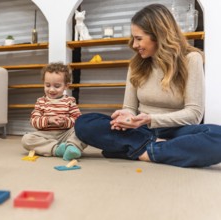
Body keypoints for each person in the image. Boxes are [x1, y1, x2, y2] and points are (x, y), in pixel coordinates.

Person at [74, 3, 221, 168]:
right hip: (140, 130)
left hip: (176, 131)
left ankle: (142, 150)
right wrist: (126, 116)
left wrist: (150, 119)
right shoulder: (136, 64)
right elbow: (129, 107)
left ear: (158, 35)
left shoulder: (192, 59)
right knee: (84, 122)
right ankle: (158, 148)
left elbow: (194, 114)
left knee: (218, 137)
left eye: (138, 38)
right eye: (133, 38)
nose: (134, 45)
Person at [22, 62, 87, 161]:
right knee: (26, 139)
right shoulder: (41, 101)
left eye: (57, 86)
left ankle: (71, 147)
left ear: (66, 86)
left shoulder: (70, 101)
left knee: (84, 129)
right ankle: (57, 149)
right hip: (46, 135)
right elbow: (34, 121)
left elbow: (78, 120)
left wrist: (65, 121)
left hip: (65, 134)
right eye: (47, 85)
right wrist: (49, 120)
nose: (51, 90)